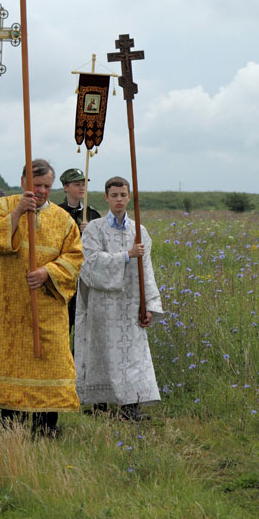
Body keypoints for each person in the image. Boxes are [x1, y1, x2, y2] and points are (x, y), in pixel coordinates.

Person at [0, 159, 84, 439]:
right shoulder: (2, 206)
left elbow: (74, 256)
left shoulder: (63, 219)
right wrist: (19, 211)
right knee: (9, 361)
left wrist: (48, 272)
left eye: (47, 186)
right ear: (24, 183)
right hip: (8, 305)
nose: (43, 191)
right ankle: (12, 423)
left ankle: (47, 425)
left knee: (51, 362)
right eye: (37, 186)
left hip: (46, 307)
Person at [76, 176, 164, 421]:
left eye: (123, 195)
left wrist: (149, 305)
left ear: (129, 197)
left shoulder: (140, 231)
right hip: (102, 305)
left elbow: (146, 268)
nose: (118, 199)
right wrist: (125, 255)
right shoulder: (95, 229)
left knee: (132, 355)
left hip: (131, 303)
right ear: (106, 197)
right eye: (114, 195)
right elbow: (88, 263)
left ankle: (130, 407)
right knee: (102, 352)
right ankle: (99, 405)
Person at [57, 167, 102, 350]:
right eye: (77, 184)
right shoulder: (57, 213)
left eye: (84, 184)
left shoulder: (92, 215)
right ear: (66, 187)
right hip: (64, 277)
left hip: (86, 278)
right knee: (62, 326)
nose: (82, 188)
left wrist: (90, 232)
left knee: (84, 329)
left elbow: (101, 246)